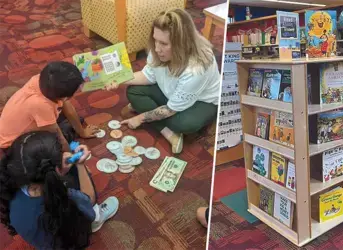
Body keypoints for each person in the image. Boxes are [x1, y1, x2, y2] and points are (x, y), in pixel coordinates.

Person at [105, 8, 220, 154]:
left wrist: (140, 118)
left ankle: (157, 118)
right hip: (172, 94)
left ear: (182, 43)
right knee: (133, 90)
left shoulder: (197, 68)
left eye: (164, 44)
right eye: (155, 40)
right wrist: (119, 79)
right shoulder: (157, 48)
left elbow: (171, 109)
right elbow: (148, 75)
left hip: (202, 101)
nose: (157, 49)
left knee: (185, 124)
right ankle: (168, 132)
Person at [0, 131, 119, 249]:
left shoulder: (9, 185)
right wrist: (80, 164)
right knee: (79, 182)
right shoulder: (66, 197)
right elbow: (89, 199)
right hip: (63, 241)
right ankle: (97, 219)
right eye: (60, 152)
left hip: (40, 240)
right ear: (57, 170)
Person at [0, 61, 100, 153]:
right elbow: (59, 137)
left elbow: (68, 107)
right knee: (54, 143)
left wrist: (82, 132)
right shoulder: (40, 105)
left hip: (28, 119)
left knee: (76, 120)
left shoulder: (42, 79)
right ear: (64, 97)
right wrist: (70, 155)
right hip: (13, 145)